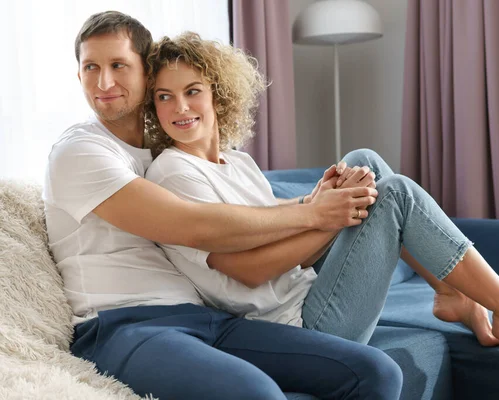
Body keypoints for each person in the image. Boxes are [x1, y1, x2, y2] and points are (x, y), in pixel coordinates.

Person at [43, 10, 403, 400]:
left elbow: (236, 211)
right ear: (78, 75)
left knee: (376, 371)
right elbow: (193, 225)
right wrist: (313, 212)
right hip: (124, 325)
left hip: (206, 316)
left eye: (118, 65)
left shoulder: (158, 152)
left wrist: (311, 199)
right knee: (256, 394)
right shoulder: (81, 151)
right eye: (91, 67)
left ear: (146, 75)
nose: (104, 81)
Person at [143, 32, 499, 360]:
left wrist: (317, 200)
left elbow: (273, 233)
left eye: (192, 90)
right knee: (394, 194)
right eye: (165, 97)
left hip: (306, 289)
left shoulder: (236, 164)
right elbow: (249, 271)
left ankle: (453, 294)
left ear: (218, 93)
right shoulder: (172, 174)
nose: (180, 107)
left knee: (362, 160)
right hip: (297, 326)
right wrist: (326, 215)